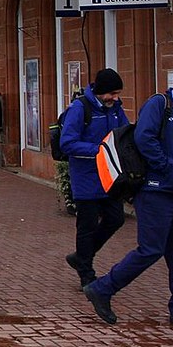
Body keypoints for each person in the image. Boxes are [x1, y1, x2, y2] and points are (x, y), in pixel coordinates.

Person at [84, 60, 173, 326]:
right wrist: (167, 167)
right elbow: (144, 138)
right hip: (155, 192)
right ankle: (102, 289)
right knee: (151, 249)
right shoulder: (159, 104)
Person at [59, 68, 130, 288]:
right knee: (87, 226)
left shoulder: (116, 109)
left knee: (116, 218)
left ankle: (81, 256)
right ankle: (86, 275)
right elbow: (67, 143)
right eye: (112, 93)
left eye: (118, 94)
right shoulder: (80, 108)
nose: (115, 98)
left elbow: (125, 134)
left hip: (111, 177)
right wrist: (100, 150)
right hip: (86, 177)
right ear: (100, 91)